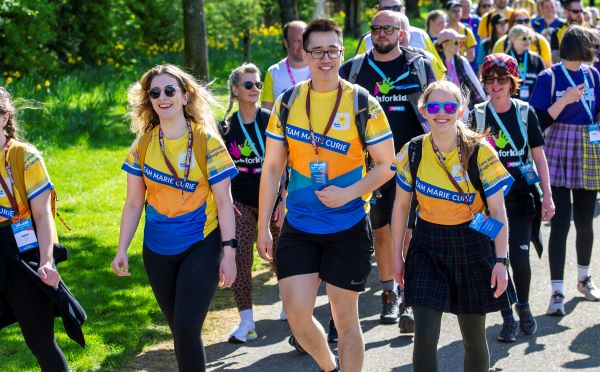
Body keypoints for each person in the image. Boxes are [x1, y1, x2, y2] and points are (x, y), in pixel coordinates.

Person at [257, 19, 395, 372]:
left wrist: (349, 192)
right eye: (317, 51)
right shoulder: (288, 102)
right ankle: (330, 367)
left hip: (347, 225)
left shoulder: (362, 103)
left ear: (342, 52)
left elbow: (386, 166)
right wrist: (262, 227)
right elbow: (272, 167)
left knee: (345, 319)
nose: (325, 58)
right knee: (296, 315)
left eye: (332, 50)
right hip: (300, 225)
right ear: (303, 52)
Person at [112, 64, 238, 371]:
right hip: (157, 250)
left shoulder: (207, 141)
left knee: (185, 327)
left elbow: (224, 200)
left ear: (185, 96)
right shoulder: (143, 144)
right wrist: (121, 249)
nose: (162, 97)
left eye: (170, 90)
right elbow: (132, 203)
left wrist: (229, 253)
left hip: (201, 244)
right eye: (155, 92)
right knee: (180, 331)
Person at [391, 80, 516, 372]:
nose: (441, 113)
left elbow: (497, 211)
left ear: (460, 111)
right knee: (423, 333)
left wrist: (501, 260)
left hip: (472, 243)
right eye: (434, 106)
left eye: (449, 107)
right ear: (423, 110)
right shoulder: (413, 151)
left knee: (472, 337)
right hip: (426, 245)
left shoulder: (480, 151)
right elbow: (400, 207)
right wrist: (396, 257)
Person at [340, 10, 435, 330]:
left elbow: (436, 109)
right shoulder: (353, 69)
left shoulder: (419, 66)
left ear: (401, 33)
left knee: (408, 231)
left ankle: (407, 296)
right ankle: (388, 293)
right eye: (376, 29)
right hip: (370, 166)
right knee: (380, 231)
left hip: (412, 163)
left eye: (388, 29)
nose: (382, 34)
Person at [469, 53, 554, 342]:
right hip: (486, 203)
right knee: (494, 258)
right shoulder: (477, 115)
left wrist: (548, 197)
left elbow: (540, 158)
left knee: (518, 256)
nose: (495, 84)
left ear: (513, 82)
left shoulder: (524, 112)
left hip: (520, 198)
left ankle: (524, 306)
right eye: (489, 79)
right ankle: (506, 316)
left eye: (501, 79)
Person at [529, 26, 600, 315]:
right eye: (591, 46)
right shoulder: (549, 76)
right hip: (557, 145)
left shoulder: (593, 74)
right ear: (580, 46)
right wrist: (565, 99)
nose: (594, 51)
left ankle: (584, 278)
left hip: (588, 146)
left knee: (585, 221)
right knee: (559, 222)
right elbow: (537, 121)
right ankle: (557, 290)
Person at [0, 87, 68, 370]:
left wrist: (47, 260)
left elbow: (42, 215)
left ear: (5, 116)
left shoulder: (24, 156)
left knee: (40, 341)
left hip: (21, 252)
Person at [220, 63, 281, 343]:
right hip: (241, 202)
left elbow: (287, 162)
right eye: (249, 85)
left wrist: (283, 198)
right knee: (240, 256)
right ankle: (246, 322)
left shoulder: (271, 119)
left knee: (283, 256)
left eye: (259, 85)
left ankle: (290, 305)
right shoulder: (225, 127)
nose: (255, 89)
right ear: (235, 90)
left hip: (274, 200)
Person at [355, 0, 446, 80]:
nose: (392, 12)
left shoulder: (421, 36)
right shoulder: (368, 40)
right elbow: (356, 71)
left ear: (404, 10)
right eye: (386, 9)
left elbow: (439, 76)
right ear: (378, 11)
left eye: (396, 8)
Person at [261, 21, 310, 111]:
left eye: (304, 41)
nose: (301, 46)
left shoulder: (320, 68)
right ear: (286, 43)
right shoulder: (274, 72)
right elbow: (266, 112)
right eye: (296, 41)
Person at [435, 29, 485, 111]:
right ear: (444, 44)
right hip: (444, 106)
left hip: (464, 106)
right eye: (456, 43)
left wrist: (484, 101)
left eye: (460, 43)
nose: (459, 46)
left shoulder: (462, 61)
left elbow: (475, 83)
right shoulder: (436, 63)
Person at [505, 25, 546, 100]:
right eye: (524, 38)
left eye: (529, 38)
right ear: (513, 39)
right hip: (510, 104)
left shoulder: (537, 59)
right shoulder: (504, 60)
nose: (528, 41)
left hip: (532, 104)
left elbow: (544, 83)